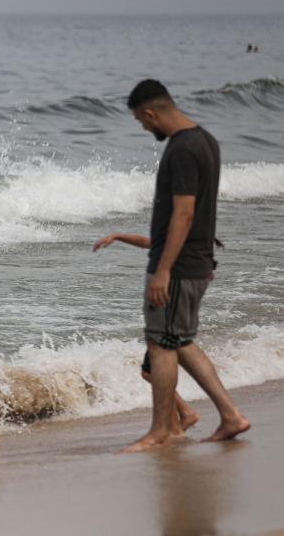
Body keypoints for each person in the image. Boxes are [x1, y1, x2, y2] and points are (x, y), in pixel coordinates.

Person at [96, 79, 249, 453]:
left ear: (151, 112)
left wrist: (163, 269)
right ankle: (230, 416)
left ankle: (160, 430)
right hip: (195, 261)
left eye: (141, 121)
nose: (145, 128)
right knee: (180, 341)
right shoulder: (206, 140)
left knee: (161, 343)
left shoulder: (182, 149)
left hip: (178, 266)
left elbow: (183, 212)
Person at [93, 233, 199, 433]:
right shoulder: (185, 243)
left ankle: (181, 420)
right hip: (176, 305)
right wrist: (117, 236)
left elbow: (158, 247)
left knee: (155, 370)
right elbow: (152, 243)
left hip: (172, 306)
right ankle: (183, 415)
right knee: (153, 370)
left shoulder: (181, 244)